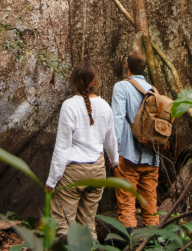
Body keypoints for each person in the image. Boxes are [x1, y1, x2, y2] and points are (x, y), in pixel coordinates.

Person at [46, 60, 119, 238]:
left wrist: (52, 180)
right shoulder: (105, 107)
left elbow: (62, 147)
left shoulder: (69, 106)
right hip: (97, 171)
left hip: (73, 173)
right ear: (95, 81)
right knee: (87, 224)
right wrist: (115, 161)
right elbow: (111, 140)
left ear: (73, 82)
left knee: (62, 223)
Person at [111, 49, 159, 232]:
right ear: (144, 69)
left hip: (129, 156)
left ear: (126, 66)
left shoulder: (121, 87)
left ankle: (129, 249)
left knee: (127, 203)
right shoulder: (154, 90)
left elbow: (117, 119)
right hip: (152, 156)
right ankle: (153, 248)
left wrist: (113, 153)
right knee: (150, 205)